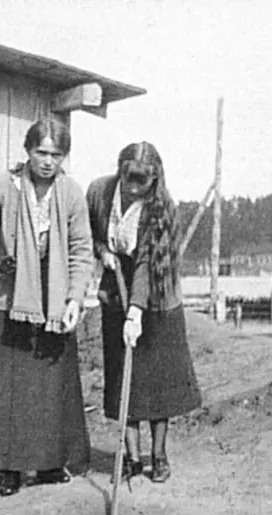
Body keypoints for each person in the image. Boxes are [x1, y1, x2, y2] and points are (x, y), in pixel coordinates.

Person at [0, 117, 93, 496]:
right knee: (9, 384)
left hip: (53, 296)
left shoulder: (71, 193)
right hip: (10, 296)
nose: (47, 161)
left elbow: (80, 250)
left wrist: (73, 298)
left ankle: (49, 463)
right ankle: (9, 468)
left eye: (56, 155)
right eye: (41, 152)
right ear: (28, 151)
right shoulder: (3, 187)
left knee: (50, 383)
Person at [86, 142, 201, 484]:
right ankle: (132, 458)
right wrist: (102, 250)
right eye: (129, 178)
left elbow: (147, 265)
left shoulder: (162, 207)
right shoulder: (100, 192)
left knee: (157, 384)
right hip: (115, 290)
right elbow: (88, 231)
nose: (134, 188)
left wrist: (135, 313)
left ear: (154, 178)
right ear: (119, 170)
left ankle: (159, 455)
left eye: (142, 181)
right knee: (125, 380)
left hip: (157, 298)